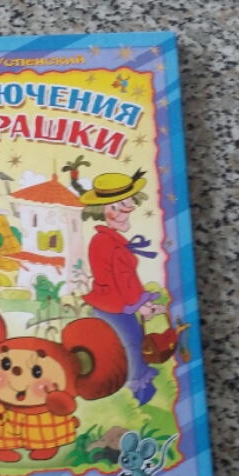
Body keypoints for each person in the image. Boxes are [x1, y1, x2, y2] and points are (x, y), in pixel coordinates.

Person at [80, 169, 165, 405]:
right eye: (114, 207)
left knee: (121, 350)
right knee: (132, 349)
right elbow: (123, 280)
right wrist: (141, 305)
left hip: (109, 306)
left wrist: (143, 301)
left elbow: (123, 280)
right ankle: (137, 399)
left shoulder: (104, 239)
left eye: (126, 204)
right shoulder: (109, 243)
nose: (123, 212)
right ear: (102, 210)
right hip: (115, 308)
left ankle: (132, 398)